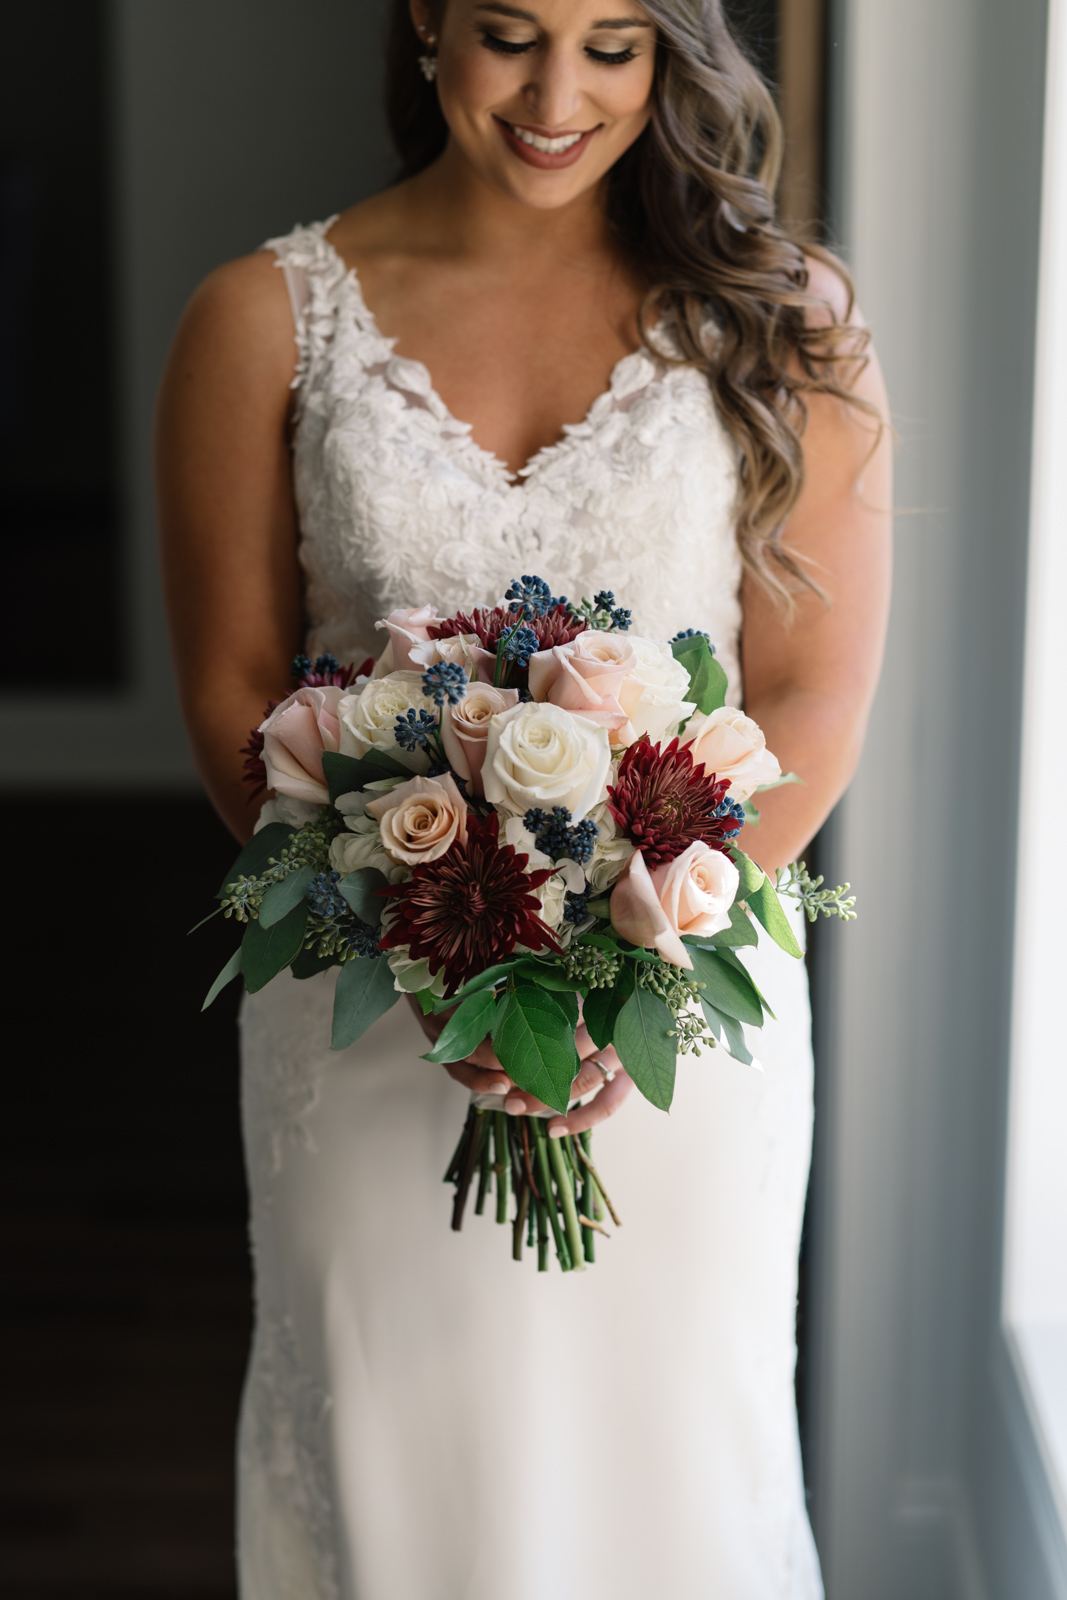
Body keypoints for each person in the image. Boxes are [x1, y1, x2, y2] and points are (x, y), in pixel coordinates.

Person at [156, 0, 891, 1594]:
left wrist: (612, 955)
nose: (559, 95)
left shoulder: (788, 319)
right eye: (509, 34)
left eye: (615, 46)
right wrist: (420, 939)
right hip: (365, 1000)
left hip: (679, 1006)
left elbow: (813, 701)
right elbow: (231, 694)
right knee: (396, 1468)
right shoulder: (261, 318)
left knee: (671, 1470)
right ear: (425, 20)